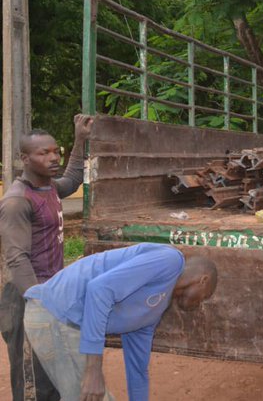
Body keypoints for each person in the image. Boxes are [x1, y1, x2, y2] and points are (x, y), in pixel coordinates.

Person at [22, 243, 218, 401]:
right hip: (55, 313)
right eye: (205, 297)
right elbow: (99, 290)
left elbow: (138, 371)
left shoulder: (156, 309)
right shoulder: (171, 260)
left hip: (65, 322)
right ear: (203, 280)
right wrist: (93, 371)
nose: (200, 303)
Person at [0, 114, 93, 400]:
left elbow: (73, 179)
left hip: (49, 292)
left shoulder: (49, 187)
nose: (53, 158)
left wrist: (80, 139)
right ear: (24, 158)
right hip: (26, 297)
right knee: (33, 380)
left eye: (56, 152)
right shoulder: (17, 201)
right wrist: (39, 303)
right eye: (44, 153)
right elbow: (17, 259)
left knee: (54, 374)